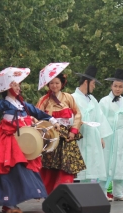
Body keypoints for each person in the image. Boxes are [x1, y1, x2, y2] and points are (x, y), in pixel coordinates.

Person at [0, 67, 60, 213]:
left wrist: (52, 119)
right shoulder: (6, 104)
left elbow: (37, 112)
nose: (18, 87)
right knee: (10, 171)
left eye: (18, 85)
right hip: (10, 143)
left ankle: (16, 199)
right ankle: (8, 202)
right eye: (15, 85)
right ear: (8, 87)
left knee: (23, 171)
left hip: (22, 142)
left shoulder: (23, 104)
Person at [36, 63, 86, 193]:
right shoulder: (43, 100)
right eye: (51, 83)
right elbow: (37, 118)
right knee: (49, 166)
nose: (54, 86)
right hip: (51, 136)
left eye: (57, 83)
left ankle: (63, 190)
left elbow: (78, 114)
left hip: (67, 136)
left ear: (62, 83)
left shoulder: (68, 97)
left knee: (66, 166)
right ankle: (47, 191)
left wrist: (73, 131)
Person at [72, 65, 113, 201]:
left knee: (91, 165)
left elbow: (99, 118)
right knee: (81, 165)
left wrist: (101, 135)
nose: (94, 87)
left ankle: (88, 195)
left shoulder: (93, 100)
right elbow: (70, 116)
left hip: (93, 135)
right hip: (81, 135)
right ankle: (79, 196)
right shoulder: (73, 98)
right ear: (86, 82)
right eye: (93, 83)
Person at [99, 68, 123, 201]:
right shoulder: (104, 101)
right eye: (115, 86)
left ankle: (118, 192)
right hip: (108, 135)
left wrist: (121, 130)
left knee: (120, 162)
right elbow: (100, 118)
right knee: (106, 162)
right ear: (111, 86)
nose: (118, 89)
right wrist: (103, 134)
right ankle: (102, 192)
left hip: (120, 135)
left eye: (120, 86)